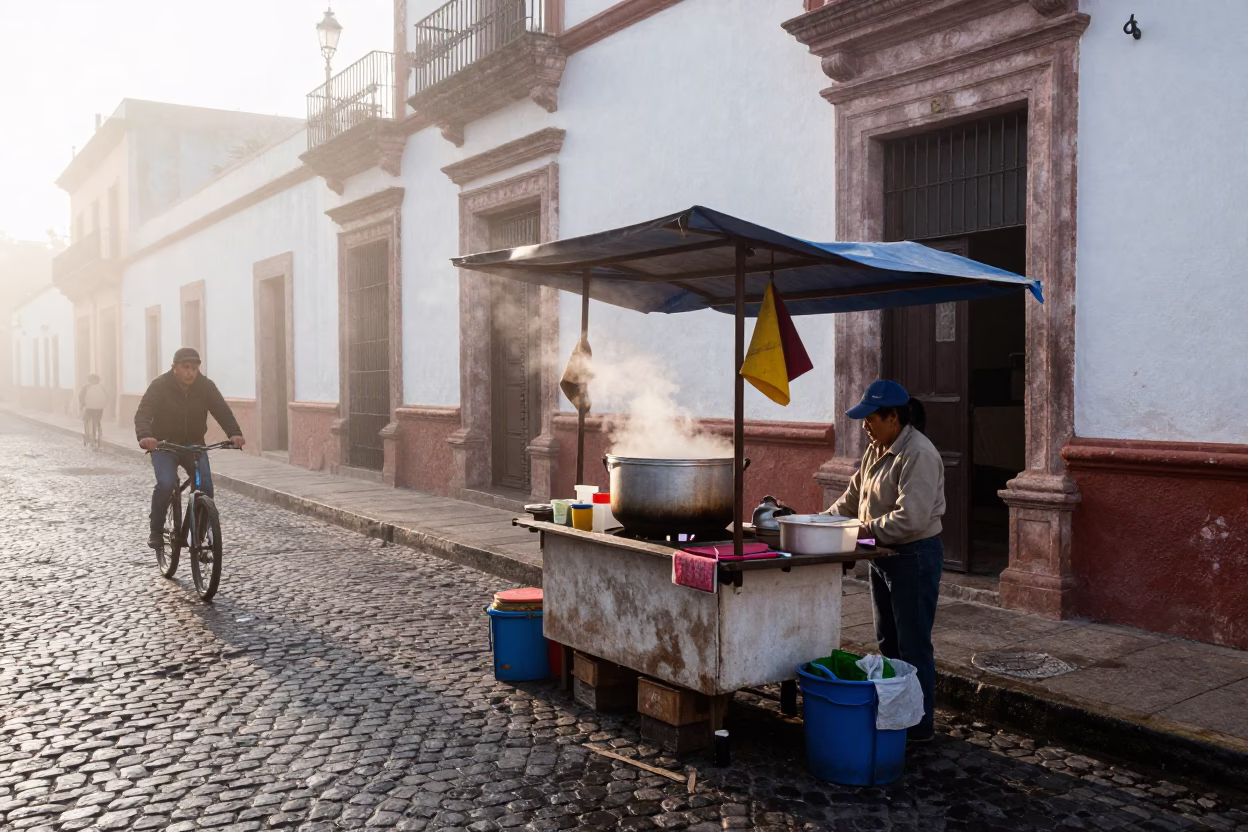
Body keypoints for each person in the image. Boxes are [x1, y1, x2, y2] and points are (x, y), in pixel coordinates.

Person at [827, 379, 946, 742]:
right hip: (883, 556)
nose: (865, 426)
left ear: (893, 417)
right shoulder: (876, 448)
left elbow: (909, 519)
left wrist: (858, 533)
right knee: (887, 642)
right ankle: (897, 717)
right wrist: (818, 524)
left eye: (871, 419)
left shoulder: (919, 453)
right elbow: (850, 500)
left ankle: (919, 727)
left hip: (914, 557)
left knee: (913, 645)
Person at [135, 348, 244, 552]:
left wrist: (234, 433)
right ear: (175, 368)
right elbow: (143, 413)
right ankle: (156, 530)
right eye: (186, 367)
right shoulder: (160, 385)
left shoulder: (205, 386)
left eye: (194, 368)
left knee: (205, 485)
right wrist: (145, 436)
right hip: (164, 445)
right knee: (166, 484)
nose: (190, 372)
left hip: (194, 444)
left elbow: (222, 410)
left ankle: (199, 536)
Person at [78, 374, 108, 446]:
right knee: (97, 420)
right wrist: (103, 405)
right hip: (99, 408)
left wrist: (81, 406)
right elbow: (107, 397)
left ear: (89, 380)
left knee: (86, 420)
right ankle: (98, 431)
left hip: (89, 408)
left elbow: (81, 397)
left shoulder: (85, 387)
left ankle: (87, 435)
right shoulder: (102, 387)